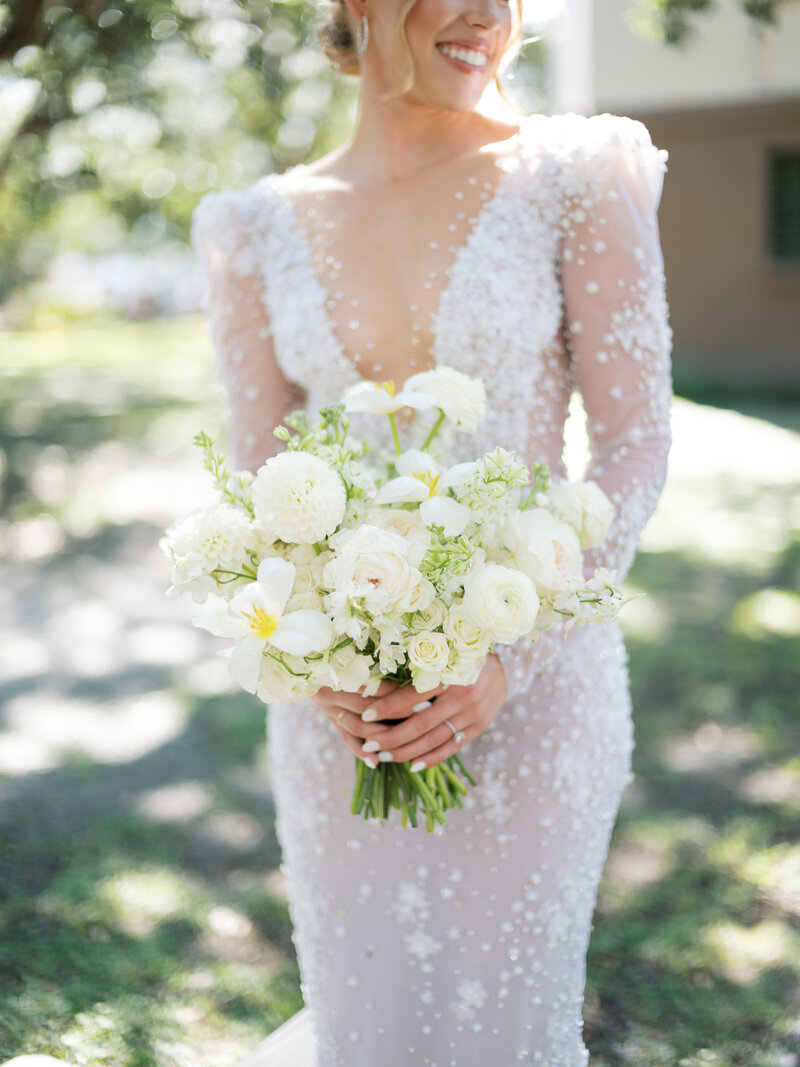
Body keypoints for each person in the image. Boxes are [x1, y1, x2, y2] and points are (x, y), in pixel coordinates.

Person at [189, 0, 673, 1060]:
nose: (489, 17)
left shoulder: (577, 174)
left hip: (540, 688)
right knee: (371, 1028)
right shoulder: (251, 227)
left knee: (507, 1024)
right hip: (340, 717)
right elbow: (263, 483)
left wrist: (509, 655)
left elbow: (633, 447)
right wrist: (313, 655)